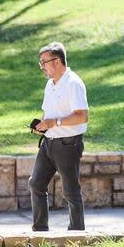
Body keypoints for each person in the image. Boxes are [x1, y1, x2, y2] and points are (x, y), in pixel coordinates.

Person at [29, 42, 89, 231]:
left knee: (71, 191)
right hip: (48, 142)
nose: (42, 67)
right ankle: (39, 231)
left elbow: (82, 116)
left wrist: (54, 123)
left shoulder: (73, 83)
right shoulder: (50, 84)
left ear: (57, 61)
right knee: (36, 183)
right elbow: (50, 114)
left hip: (68, 144)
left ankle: (77, 233)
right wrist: (43, 126)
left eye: (43, 62)